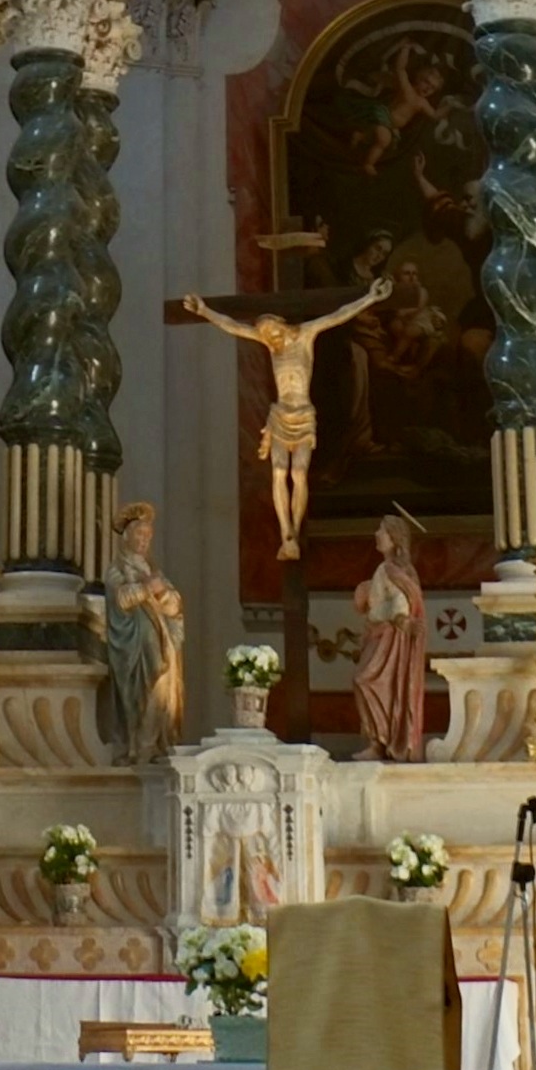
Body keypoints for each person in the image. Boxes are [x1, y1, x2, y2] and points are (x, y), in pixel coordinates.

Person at [181, 279, 385, 558]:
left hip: (303, 417)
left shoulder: (305, 334)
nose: (271, 340)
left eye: (273, 333)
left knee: (298, 473)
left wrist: (370, 299)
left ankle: (295, 531)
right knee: (278, 472)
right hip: (279, 416)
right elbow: (235, 327)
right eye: (266, 336)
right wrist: (205, 311)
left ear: (281, 325)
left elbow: (338, 315)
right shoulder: (269, 341)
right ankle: (286, 533)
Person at [99, 497, 186, 766]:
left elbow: (174, 604)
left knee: (164, 694)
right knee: (143, 695)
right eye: (139, 533)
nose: (144, 539)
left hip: (162, 643)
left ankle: (159, 742)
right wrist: (147, 589)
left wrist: (164, 595)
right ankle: (140, 745)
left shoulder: (153, 569)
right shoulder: (118, 569)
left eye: (148, 535)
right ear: (126, 537)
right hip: (135, 646)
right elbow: (120, 599)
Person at [350, 506, 430, 761]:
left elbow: (400, 600)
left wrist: (395, 618)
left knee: (365, 680)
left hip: (390, 638)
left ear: (393, 538)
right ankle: (379, 741)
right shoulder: (386, 568)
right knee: (373, 683)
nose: (376, 534)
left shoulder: (391, 570)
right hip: (383, 635)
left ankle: (381, 740)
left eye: (381, 530)